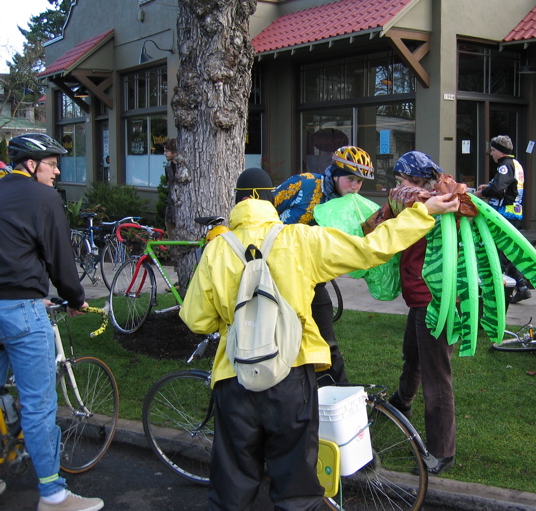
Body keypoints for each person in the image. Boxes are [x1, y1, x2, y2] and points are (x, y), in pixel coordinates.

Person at [180, 167, 459, 511]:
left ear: (237, 202)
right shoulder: (301, 239)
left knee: (232, 485)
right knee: (298, 485)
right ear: (270, 200)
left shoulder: (216, 249)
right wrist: (422, 213)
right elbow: (370, 249)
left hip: (234, 376)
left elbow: (196, 319)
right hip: (292, 376)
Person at [0, 134, 103, 511]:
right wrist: (74, 299)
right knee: (39, 405)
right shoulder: (44, 199)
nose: (58, 170)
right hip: (22, 312)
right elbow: (61, 259)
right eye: (52, 163)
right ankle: (53, 495)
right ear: (31, 164)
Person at [273, 145, 374, 385]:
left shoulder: (350, 207)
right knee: (280, 341)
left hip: (313, 279)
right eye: (351, 179)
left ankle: (340, 397)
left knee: (326, 341)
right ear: (335, 173)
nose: (355, 187)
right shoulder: (305, 184)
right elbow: (265, 209)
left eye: (360, 182)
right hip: (277, 276)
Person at [387, 151, 457, 476]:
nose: (397, 186)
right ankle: (401, 401)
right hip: (420, 297)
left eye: (401, 179)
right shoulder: (423, 200)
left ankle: (441, 451)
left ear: (415, 179)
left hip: (435, 300)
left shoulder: (433, 205)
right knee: (413, 355)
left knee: (436, 375)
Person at [473, 135, 532, 303]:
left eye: (492, 150)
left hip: (504, 214)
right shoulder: (516, 164)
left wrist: (479, 194)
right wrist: (489, 186)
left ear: (500, 151)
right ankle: (521, 286)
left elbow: (498, 188)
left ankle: (500, 294)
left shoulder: (505, 166)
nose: (491, 154)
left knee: (499, 254)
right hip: (515, 212)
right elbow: (505, 187)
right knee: (508, 251)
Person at [163, 138, 178, 236]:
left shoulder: (184, 166)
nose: (164, 153)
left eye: (167, 151)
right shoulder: (168, 167)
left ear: (175, 152)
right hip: (170, 207)